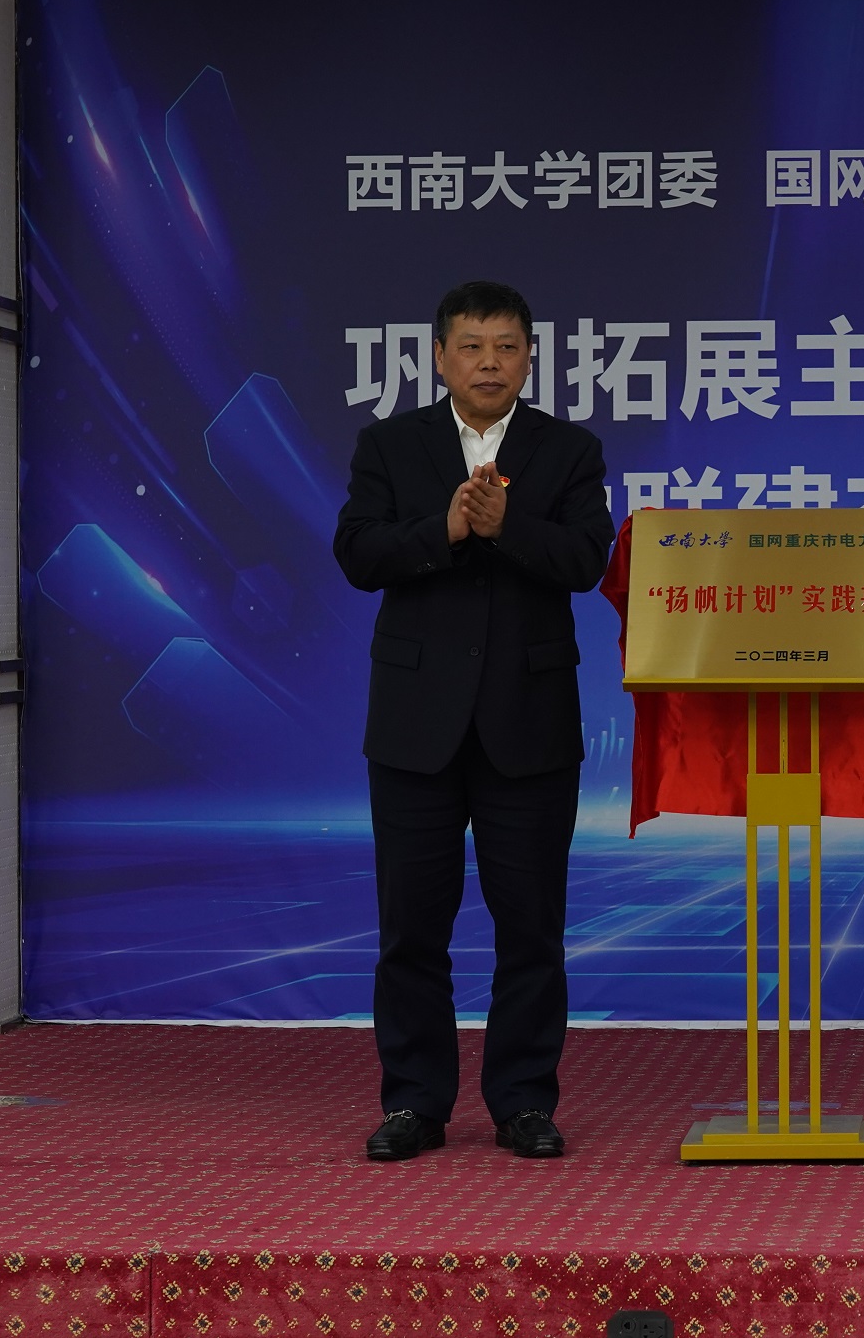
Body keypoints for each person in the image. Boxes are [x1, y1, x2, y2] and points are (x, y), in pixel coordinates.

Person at [333, 280, 614, 1162]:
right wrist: (445, 529)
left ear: (529, 356)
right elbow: (357, 552)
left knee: (531, 927)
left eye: (505, 347)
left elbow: (587, 560)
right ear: (441, 356)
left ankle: (523, 1100)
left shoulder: (569, 450)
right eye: (471, 346)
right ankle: (414, 1101)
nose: (489, 362)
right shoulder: (390, 444)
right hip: (415, 725)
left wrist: (506, 524)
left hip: (528, 723)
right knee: (411, 927)